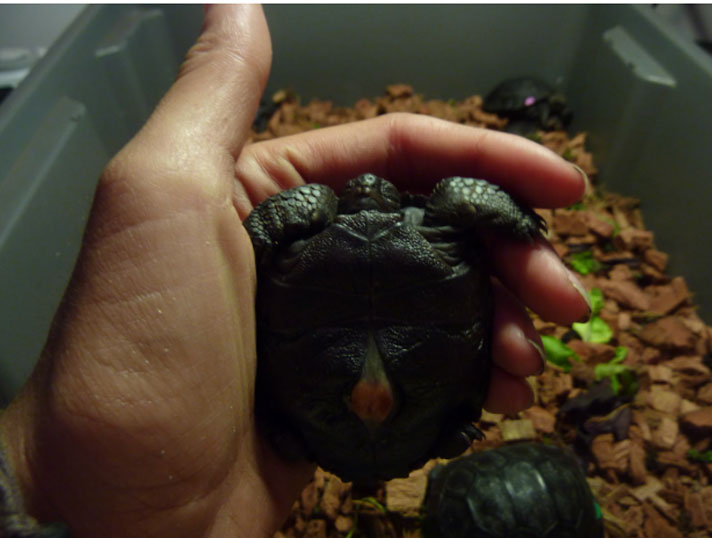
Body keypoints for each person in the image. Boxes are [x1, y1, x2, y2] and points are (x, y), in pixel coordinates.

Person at [0, 5, 591, 538]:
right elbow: (465, 201)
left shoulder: (319, 218)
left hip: (307, 421)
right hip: (415, 412)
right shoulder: (437, 223)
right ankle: (438, 425)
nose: (363, 186)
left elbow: (260, 239)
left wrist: (41, 483)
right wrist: (518, 220)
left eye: (368, 188)